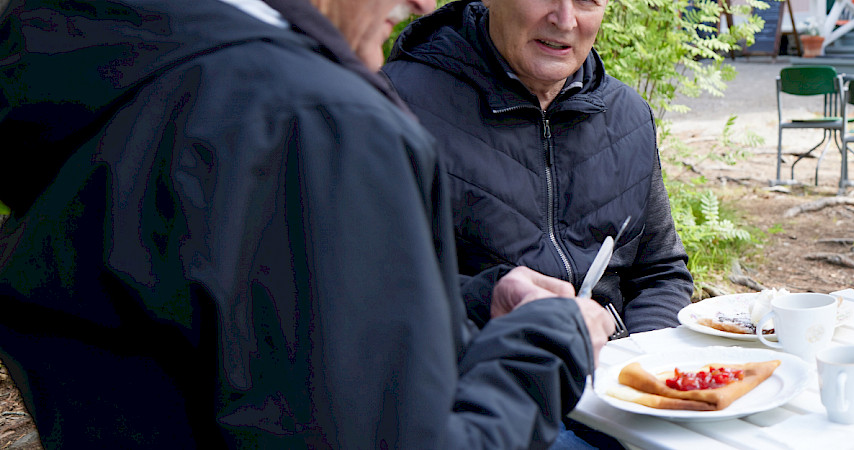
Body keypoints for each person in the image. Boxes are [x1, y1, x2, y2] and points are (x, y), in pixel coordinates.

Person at [0, 0, 613, 447]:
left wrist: (476, 300)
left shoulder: (135, 73)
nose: (425, 3)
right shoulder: (314, 120)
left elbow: (245, 313)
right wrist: (551, 341)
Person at [382, 0, 694, 447]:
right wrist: (491, 305)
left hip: (616, 404)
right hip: (484, 408)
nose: (565, 20)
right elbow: (375, 300)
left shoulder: (628, 115)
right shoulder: (398, 104)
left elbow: (662, 272)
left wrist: (629, 371)